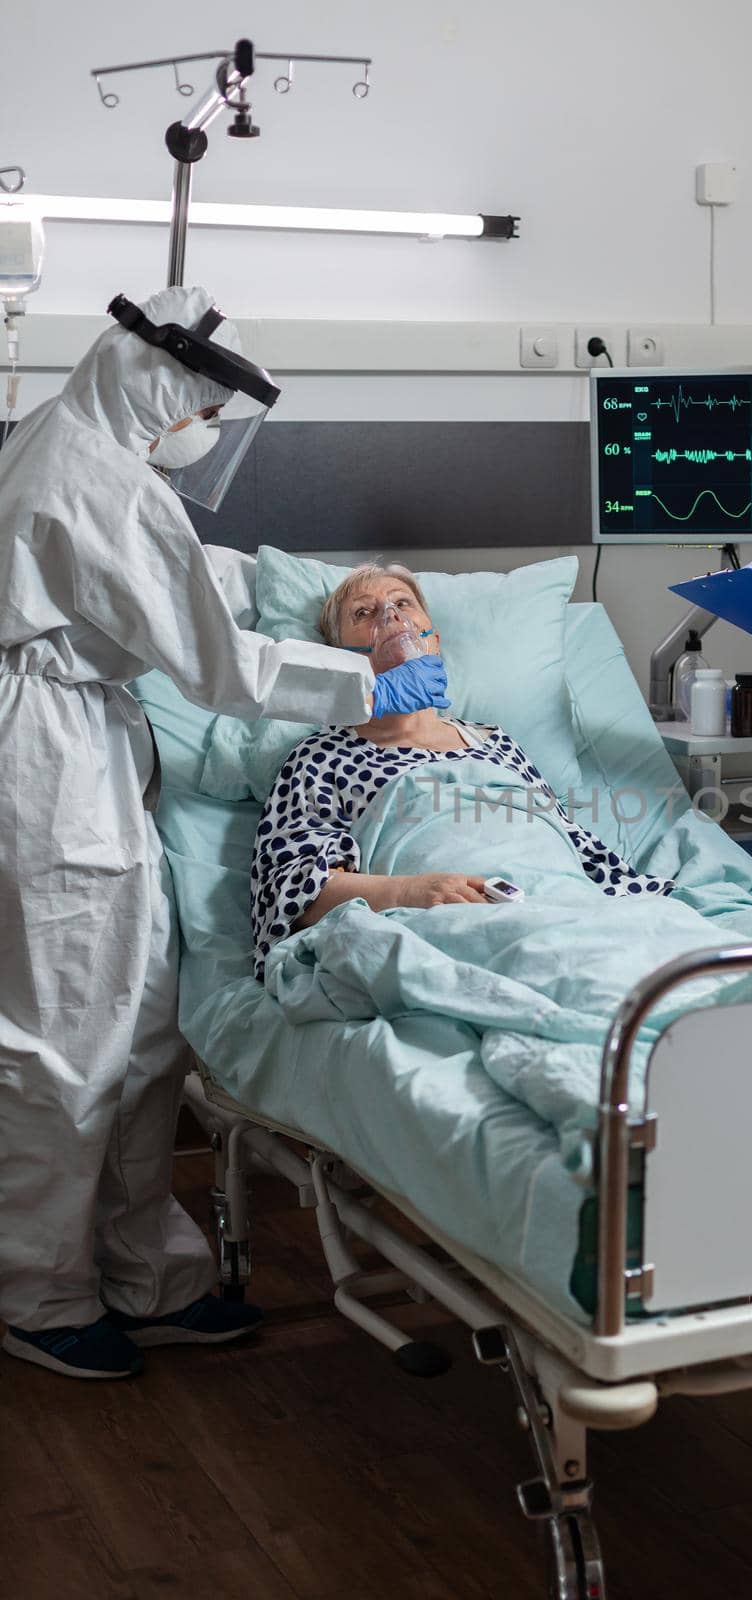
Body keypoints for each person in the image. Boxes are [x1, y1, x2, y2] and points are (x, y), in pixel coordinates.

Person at [0, 288, 448, 1379]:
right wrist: (369, 683)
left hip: (88, 747)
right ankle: (40, 1293)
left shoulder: (70, 439)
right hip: (48, 757)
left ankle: (149, 1274)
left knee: (145, 1027)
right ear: (156, 383)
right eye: (193, 407)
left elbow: (180, 585)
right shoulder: (94, 477)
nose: (192, 434)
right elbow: (218, 663)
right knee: (67, 1037)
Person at [251, 562, 676, 976]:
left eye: (403, 602)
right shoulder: (321, 757)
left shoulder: (496, 742)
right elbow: (293, 887)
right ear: (338, 659)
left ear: (433, 638)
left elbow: (570, 844)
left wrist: (645, 904)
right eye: (363, 613)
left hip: (566, 901)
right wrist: (410, 891)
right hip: (450, 915)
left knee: (668, 958)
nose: (390, 616)